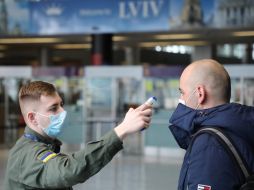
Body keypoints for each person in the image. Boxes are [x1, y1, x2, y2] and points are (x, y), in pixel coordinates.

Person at [4, 81, 152, 190]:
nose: (62, 112)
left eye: (61, 104)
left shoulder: (46, 145)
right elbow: (68, 171)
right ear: (32, 118)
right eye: (53, 108)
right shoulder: (26, 154)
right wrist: (122, 129)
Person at [168, 59, 254, 190]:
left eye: (182, 92)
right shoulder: (241, 126)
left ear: (200, 93)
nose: (181, 99)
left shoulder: (208, 143)